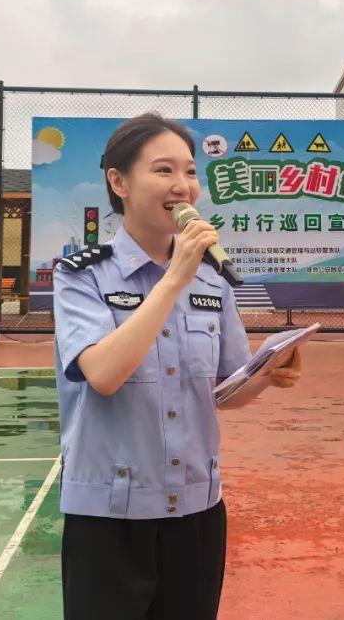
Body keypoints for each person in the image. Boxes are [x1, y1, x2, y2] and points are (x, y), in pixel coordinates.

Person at [54, 113, 303, 620]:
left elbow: (225, 391)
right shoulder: (82, 276)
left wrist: (268, 373)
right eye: (163, 170)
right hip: (109, 516)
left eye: (190, 172)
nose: (183, 186)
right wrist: (173, 280)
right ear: (119, 182)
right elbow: (103, 375)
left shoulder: (211, 278)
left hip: (196, 511)